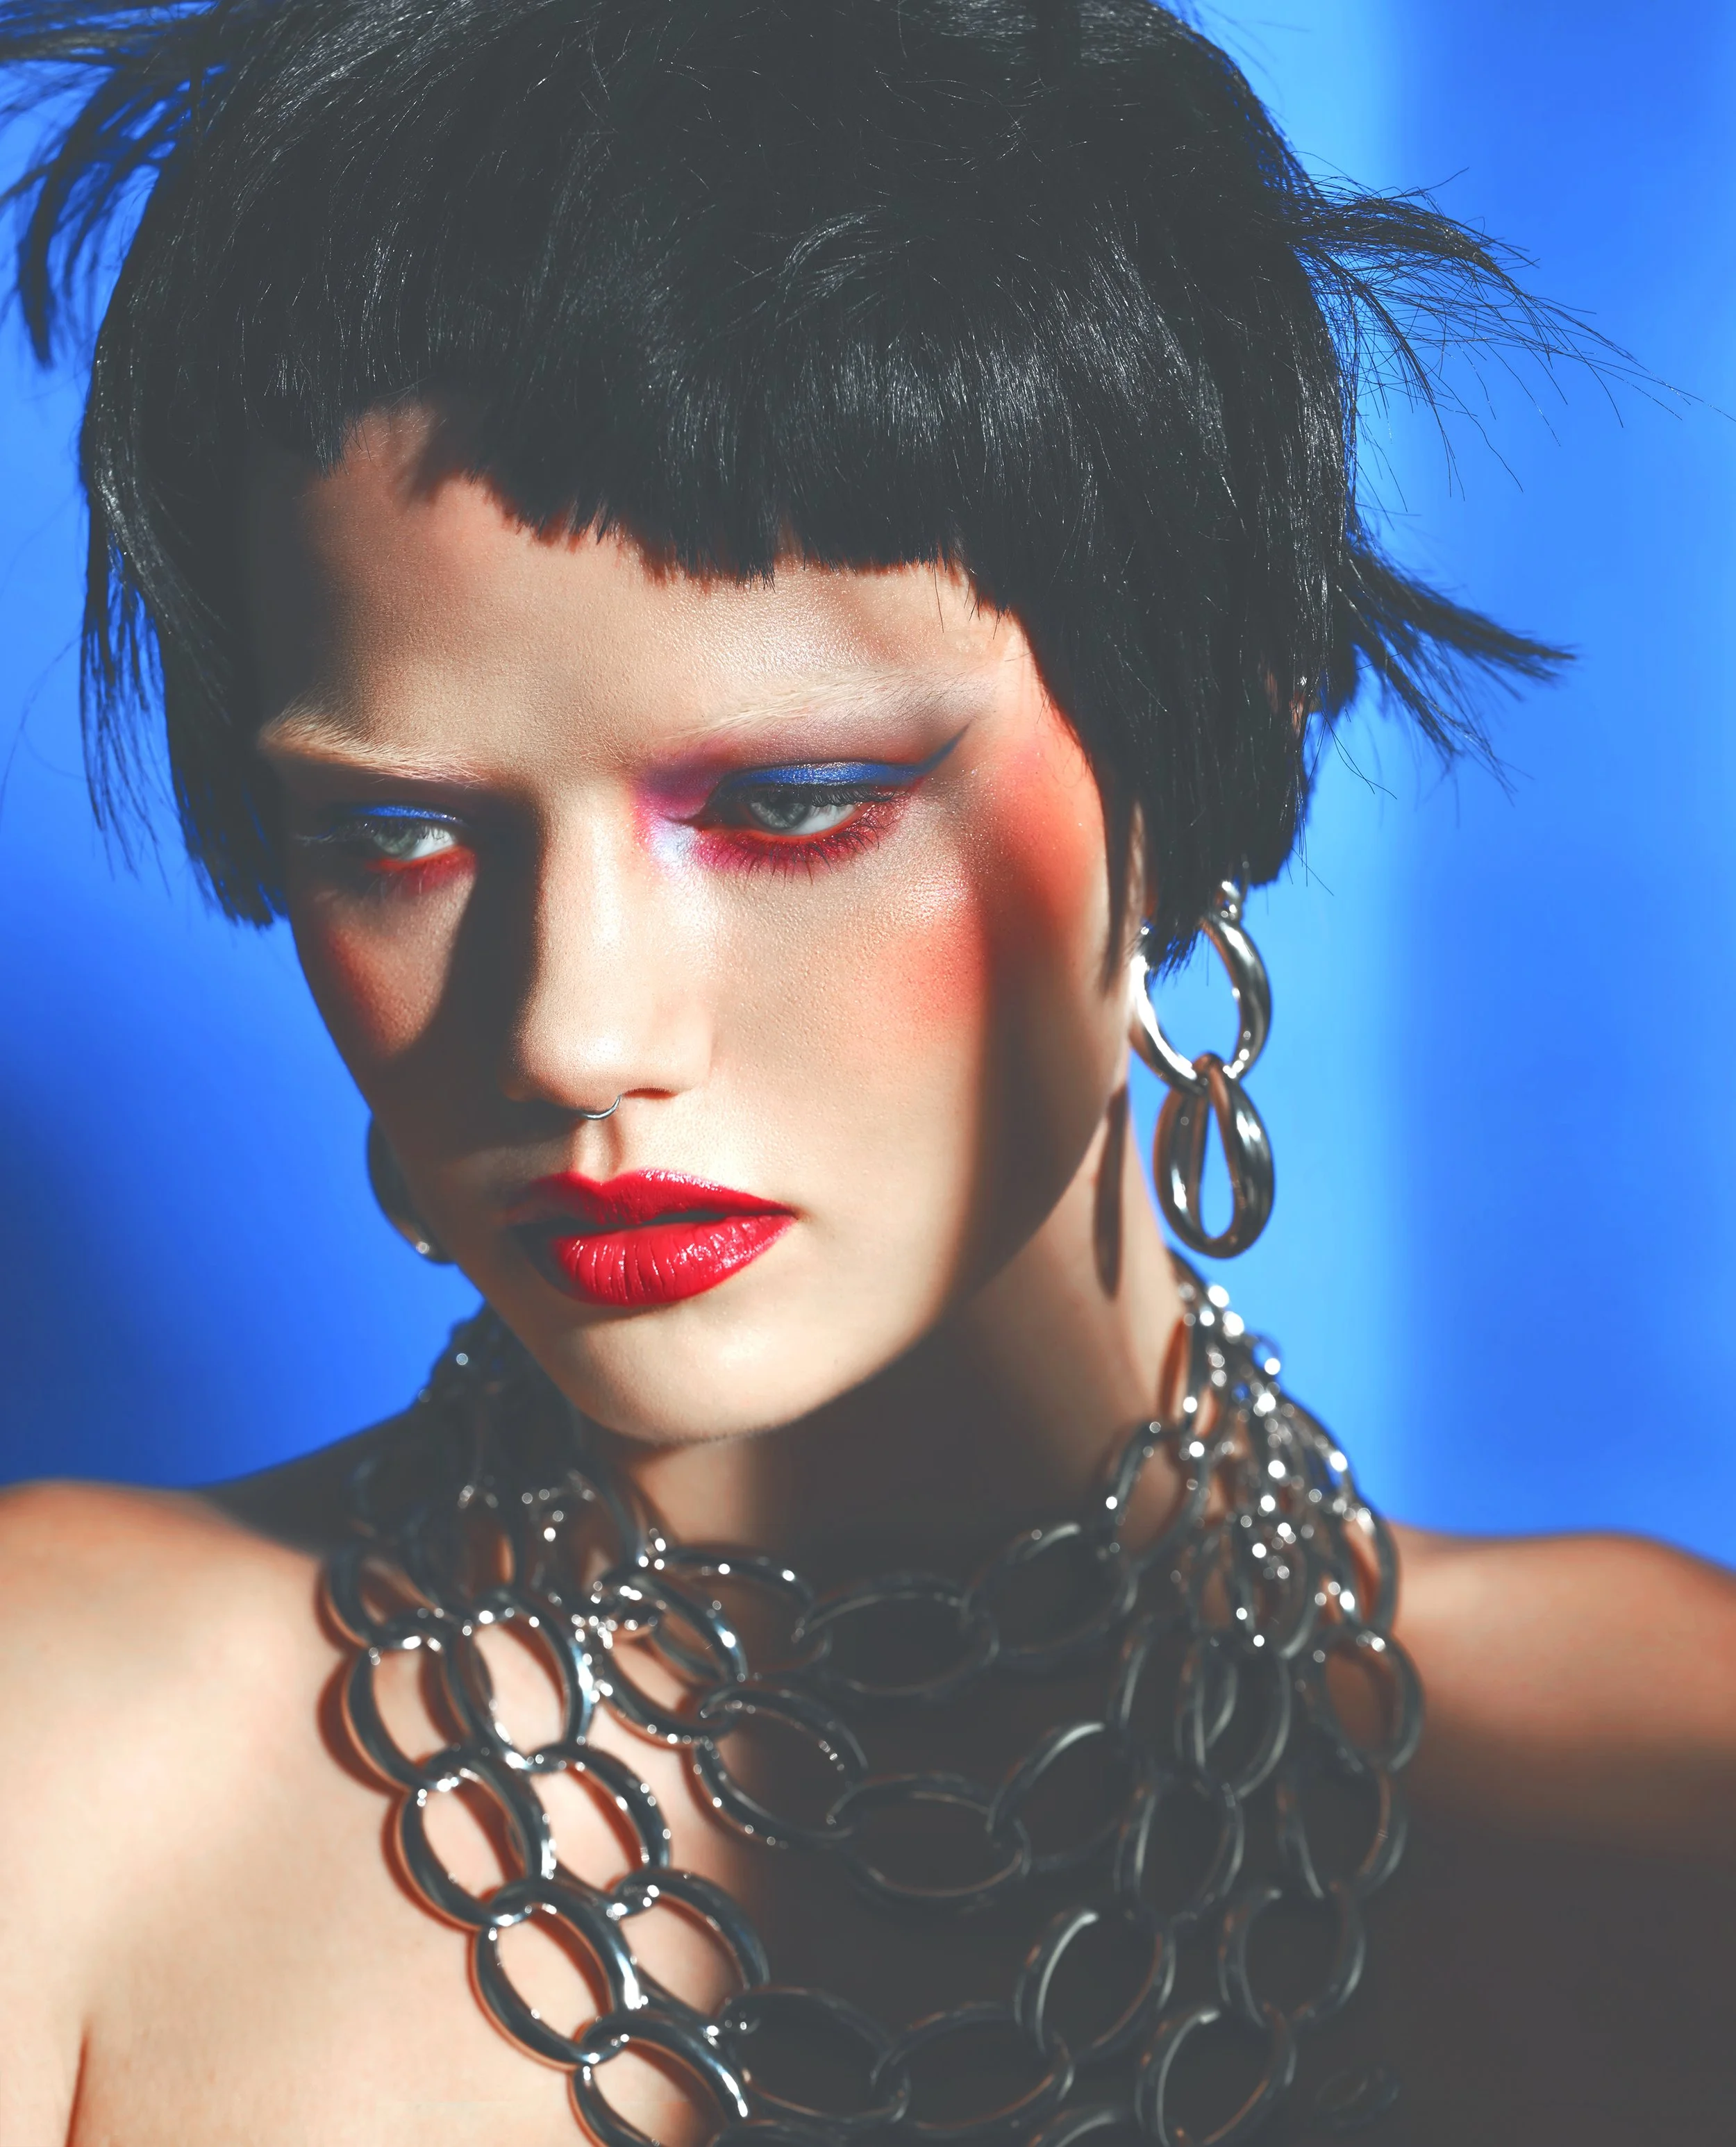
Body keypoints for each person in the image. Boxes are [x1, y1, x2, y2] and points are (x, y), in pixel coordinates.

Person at [0, 1, 1730, 2142]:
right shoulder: (65, 1757)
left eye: (796, 803)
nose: (570, 1028)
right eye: (401, 838)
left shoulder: (1661, 1789)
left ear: (1210, 763)